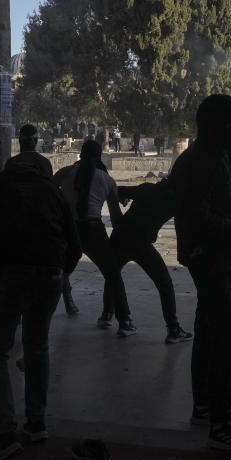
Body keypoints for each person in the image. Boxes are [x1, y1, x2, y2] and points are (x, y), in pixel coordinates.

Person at [0, 158, 82, 460]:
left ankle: (5, 434)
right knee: (37, 346)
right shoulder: (52, 192)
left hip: (8, 273)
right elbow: (74, 244)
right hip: (50, 274)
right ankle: (36, 422)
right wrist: (62, 276)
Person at [171, 94, 231, 453]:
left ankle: (205, 406)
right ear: (221, 127)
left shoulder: (214, 158)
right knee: (225, 337)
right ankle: (220, 425)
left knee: (208, 330)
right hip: (206, 256)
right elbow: (199, 216)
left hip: (218, 257)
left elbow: (228, 205)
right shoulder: (200, 162)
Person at [55, 140, 133, 334]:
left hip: (67, 229)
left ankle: (33, 318)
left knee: (57, 272)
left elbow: (48, 194)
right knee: (113, 274)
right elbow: (116, 220)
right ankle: (125, 322)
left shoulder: (64, 173)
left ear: (80, 154)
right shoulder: (106, 180)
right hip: (92, 230)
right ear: (100, 156)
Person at [107, 179, 192, 343]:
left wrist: (122, 199)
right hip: (140, 241)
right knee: (164, 283)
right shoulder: (175, 199)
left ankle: (107, 316)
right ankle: (173, 328)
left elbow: (119, 190)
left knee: (113, 276)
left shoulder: (146, 188)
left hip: (119, 236)